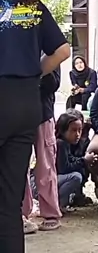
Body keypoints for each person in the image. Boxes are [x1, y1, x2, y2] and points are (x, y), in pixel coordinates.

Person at [0, 0, 70, 253]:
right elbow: (62, 49)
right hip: (25, 104)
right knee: (9, 203)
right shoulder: (28, 1)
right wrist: (32, 73)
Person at [23, 69, 63, 232]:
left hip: (42, 113)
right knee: (17, 165)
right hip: (18, 114)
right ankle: (21, 213)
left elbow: (53, 83)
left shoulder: (48, 54)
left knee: (45, 166)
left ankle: (51, 214)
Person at [55, 111, 93, 208]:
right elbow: (64, 168)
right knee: (75, 177)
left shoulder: (67, 143)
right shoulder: (60, 144)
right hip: (45, 183)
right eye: (73, 130)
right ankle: (59, 205)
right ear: (63, 130)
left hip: (54, 180)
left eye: (80, 130)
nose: (77, 134)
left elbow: (72, 159)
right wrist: (84, 161)